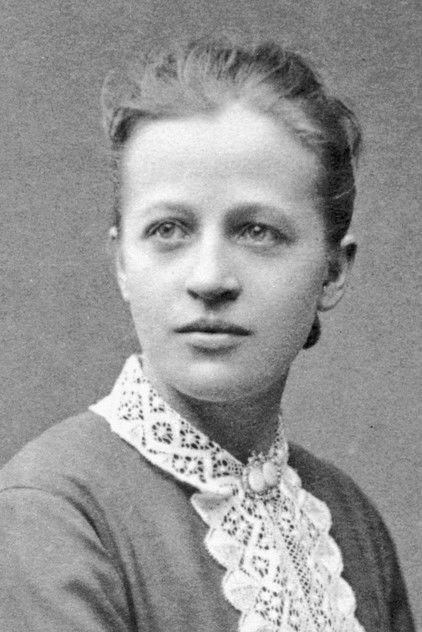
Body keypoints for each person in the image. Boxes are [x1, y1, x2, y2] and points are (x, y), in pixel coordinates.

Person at [0, 38, 415, 632]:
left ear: (332, 271)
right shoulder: (51, 512)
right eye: (168, 229)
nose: (210, 279)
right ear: (122, 264)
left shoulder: (350, 522)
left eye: (257, 231)